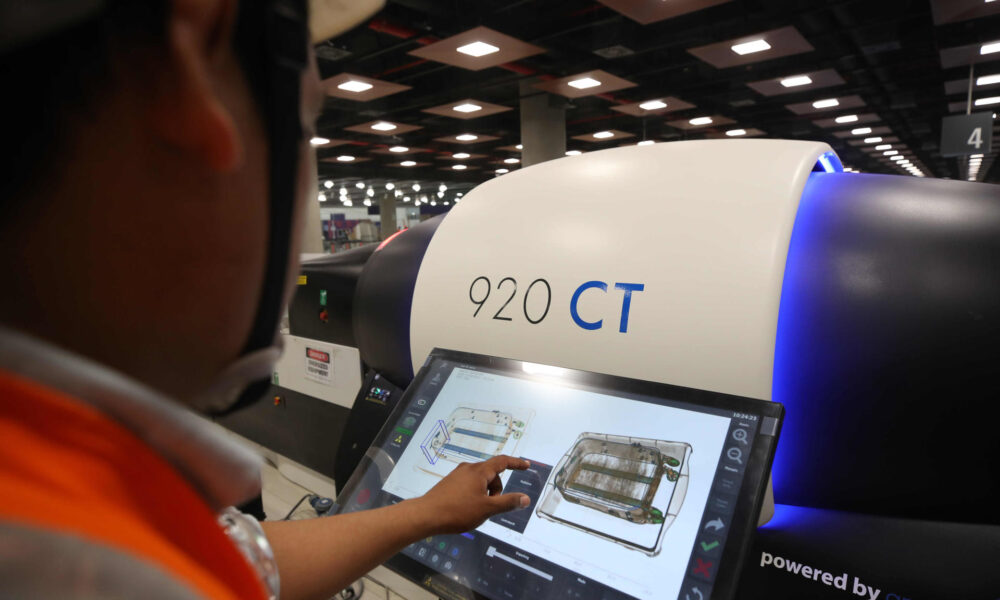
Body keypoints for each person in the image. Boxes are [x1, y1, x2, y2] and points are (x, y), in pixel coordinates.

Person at [0, 1, 531, 599]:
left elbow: (233, 555)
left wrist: (423, 514)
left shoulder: (64, 494)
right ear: (190, 67)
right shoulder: (86, 568)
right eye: (305, 128)